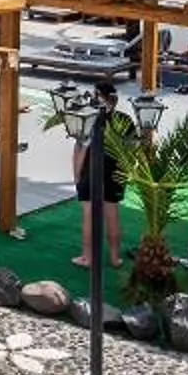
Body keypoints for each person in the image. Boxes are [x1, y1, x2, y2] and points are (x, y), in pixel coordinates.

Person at [71, 109, 128, 267]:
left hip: (91, 171)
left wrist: (77, 177)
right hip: (115, 172)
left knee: (89, 214)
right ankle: (115, 258)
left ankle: (87, 257)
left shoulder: (88, 120)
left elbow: (80, 150)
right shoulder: (123, 119)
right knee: (113, 212)